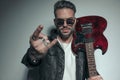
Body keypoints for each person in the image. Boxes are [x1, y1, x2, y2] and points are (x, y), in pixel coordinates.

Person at [21, 0, 103, 80]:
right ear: (55, 22)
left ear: (75, 21)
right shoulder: (45, 44)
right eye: (60, 21)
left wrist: (97, 78)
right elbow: (29, 63)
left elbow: (91, 72)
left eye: (70, 21)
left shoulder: (83, 44)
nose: (65, 25)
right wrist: (34, 54)